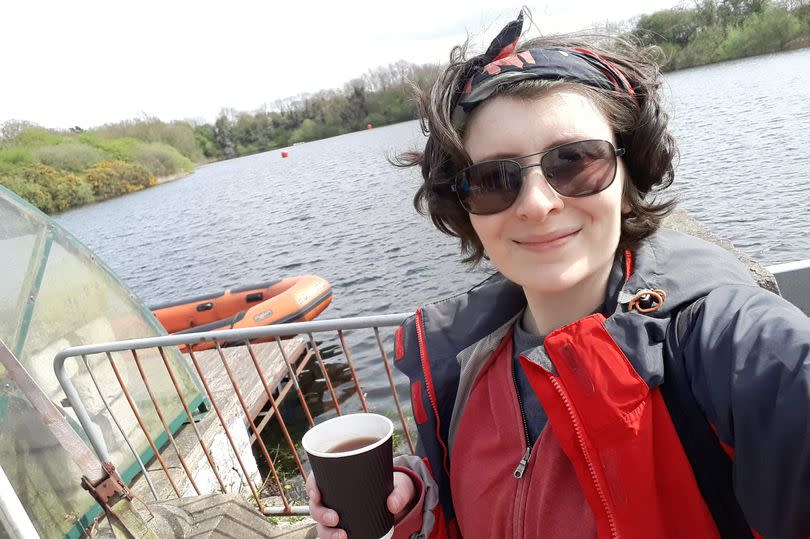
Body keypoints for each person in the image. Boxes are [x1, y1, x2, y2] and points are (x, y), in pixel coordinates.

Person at [308, 10, 810, 539]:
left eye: (574, 161)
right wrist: (418, 508)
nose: (537, 204)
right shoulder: (458, 371)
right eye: (494, 179)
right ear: (466, 204)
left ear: (626, 171)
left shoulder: (724, 347)